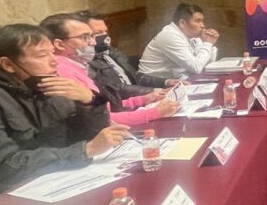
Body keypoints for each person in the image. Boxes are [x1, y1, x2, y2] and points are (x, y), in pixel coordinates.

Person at [0, 24, 129, 205]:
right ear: (8, 64)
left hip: (49, 184)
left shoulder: (40, 82)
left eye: (52, 53)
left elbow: (86, 136)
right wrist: (86, 150)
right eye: (42, 56)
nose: (54, 61)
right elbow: (3, 167)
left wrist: (90, 102)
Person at [41, 14, 179, 126]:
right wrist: (154, 113)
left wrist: (142, 99)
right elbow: (99, 119)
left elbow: (103, 107)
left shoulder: (77, 65)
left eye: (91, 36)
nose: (93, 42)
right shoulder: (62, 71)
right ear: (59, 44)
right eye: (85, 37)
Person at [81, 11, 178, 89]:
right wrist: (152, 92)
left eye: (105, 31)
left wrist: (166, 82)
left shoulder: (111, 52)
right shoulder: (89, 63)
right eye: (98, 32)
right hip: (129, 103)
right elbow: (118, 89)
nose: (105, 36)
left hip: (141, 98)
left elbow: (136, 77)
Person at [138, 3, 220, 78]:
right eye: (198, 21)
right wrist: (207, 43)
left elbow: (206, 64)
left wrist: (209, 44)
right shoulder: (170, 35)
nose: (203, 25)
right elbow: (196, 67)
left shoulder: (192, 36)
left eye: (202, 21)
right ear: (182, 23)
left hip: (178, 79)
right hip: (153, 82)